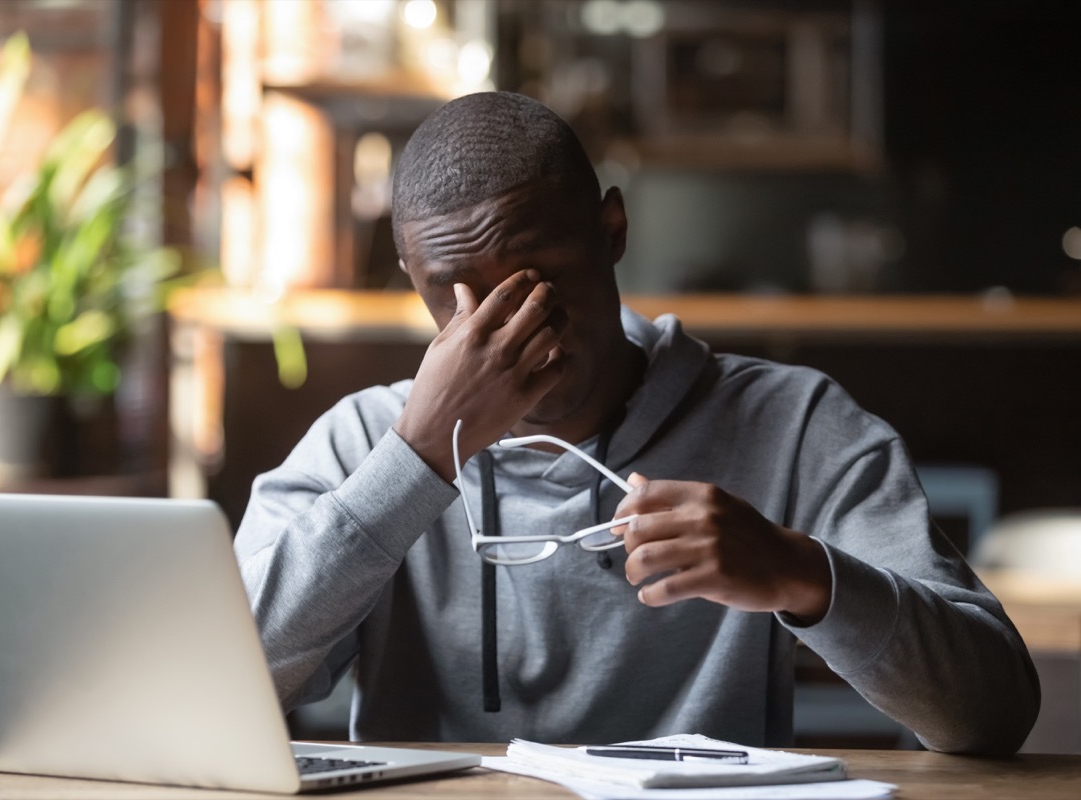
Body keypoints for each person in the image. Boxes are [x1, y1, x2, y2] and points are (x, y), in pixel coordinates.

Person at [234, 91, 1039, 753]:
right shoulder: (360, 443)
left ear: (612, 231)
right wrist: (413, 462)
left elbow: (995, 713)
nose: (512, 331)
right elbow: (227, 689)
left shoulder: (794, 426)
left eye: (540, 280)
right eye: (457, 297)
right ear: (410, 278)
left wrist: (804, 575)